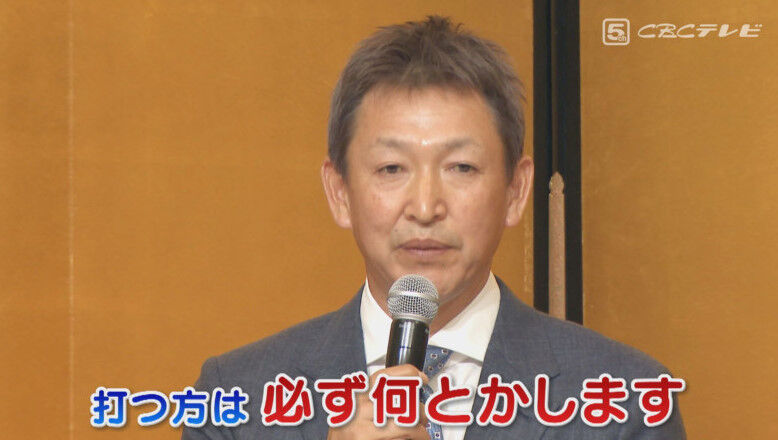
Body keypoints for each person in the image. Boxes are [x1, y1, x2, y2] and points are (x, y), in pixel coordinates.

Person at [183, 16, 685, 440]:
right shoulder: (237, 400)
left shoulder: (628, 401)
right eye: (391, 168)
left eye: (461, 167)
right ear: (339, 192)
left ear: (515, 190)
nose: (425, 208)